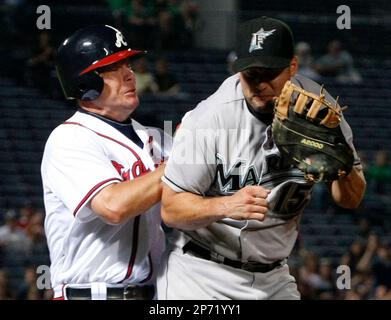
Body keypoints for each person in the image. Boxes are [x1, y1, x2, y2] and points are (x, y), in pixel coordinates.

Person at [157, 16, 366, 300]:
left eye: (269, 73)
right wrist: (227, 205)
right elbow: (171, 209)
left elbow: (350, 198)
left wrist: (339, 162)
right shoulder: (208, 119)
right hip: (201, 275)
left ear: (293, 66)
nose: (259, 84)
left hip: (274, 276)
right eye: (250, 74)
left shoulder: (320, 111)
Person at [41, 25, 171, 300]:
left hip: (153, 294)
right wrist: (181, 160)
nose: (129, 74)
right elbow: (113, 206)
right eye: (112, 67)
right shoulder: (70, 137)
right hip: (90, 294)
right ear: (85, 84)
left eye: (127, 63)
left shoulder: (157, 139)